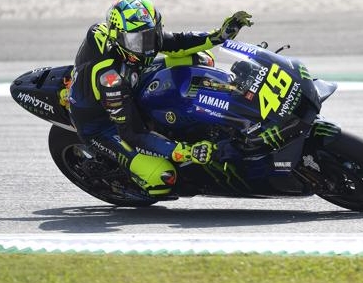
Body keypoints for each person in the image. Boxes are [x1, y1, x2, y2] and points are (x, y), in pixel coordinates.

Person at [68, 0, 253, 198]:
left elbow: (176, 42)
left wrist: (220, 35)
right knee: (163, 178)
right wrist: (185, 152)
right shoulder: (110, 80)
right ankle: (133, 177)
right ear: (118, 38)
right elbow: (132, 133)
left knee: (200, 58)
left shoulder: (132, 35)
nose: (147, 46)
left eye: (151, 36)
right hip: (102, 125)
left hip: (131, 79)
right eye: (137, 41)